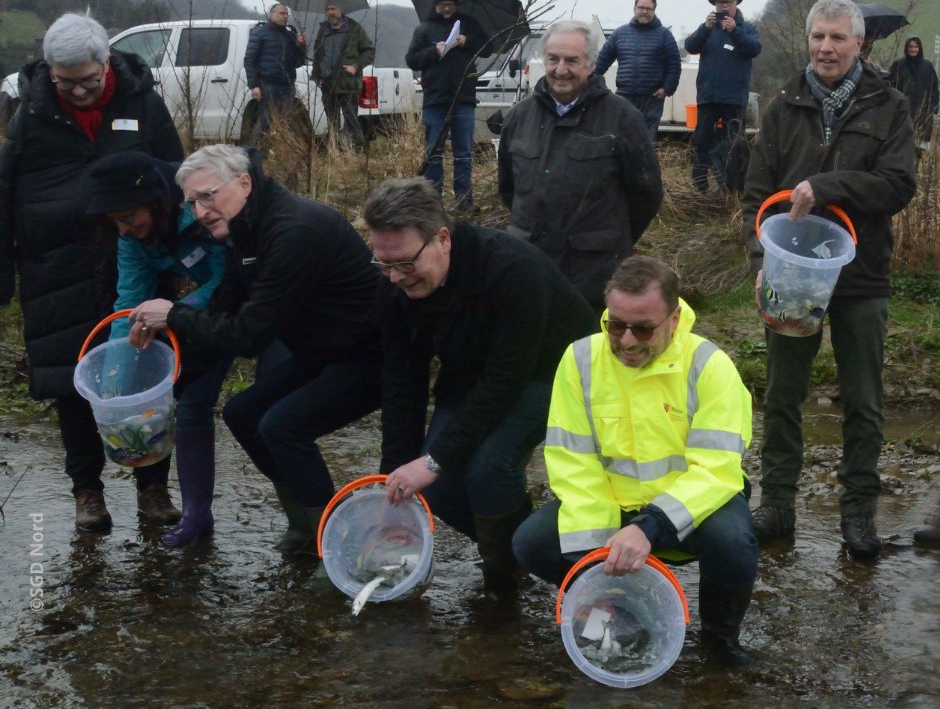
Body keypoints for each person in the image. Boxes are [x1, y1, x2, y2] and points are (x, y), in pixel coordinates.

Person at [127, 144, 381, 556]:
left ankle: (339, 545)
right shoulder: (242, 231)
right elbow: (226, 309)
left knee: (282, 426)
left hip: (372, 356)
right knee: (242, 413)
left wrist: (174, 315)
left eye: (208, 195)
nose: (200, 211)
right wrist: (169, 381)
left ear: (244, 182)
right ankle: (303, 523)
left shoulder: (295, 230)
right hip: (321, 353)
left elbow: (249, 334)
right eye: (191, 202)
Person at [512, 256, 758, 666]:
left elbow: (716, 469)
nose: (627, 341)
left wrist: (651, 525)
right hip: (613, 509)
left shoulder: (709, 366)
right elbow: (573, 463)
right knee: (530, 543)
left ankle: (720, 643)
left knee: (733, 543)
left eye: (643, 328)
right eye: (615, 325)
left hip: (689, 512)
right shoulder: (579, 360)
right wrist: (593, 566)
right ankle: (628, 613)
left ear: (674, 319)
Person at [742, 0, 916, 560]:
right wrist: (757, 257)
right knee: (783, 394)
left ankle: (858, 514)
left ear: (859, 44)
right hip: (790, 277)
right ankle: (777, 506)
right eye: (818, 37)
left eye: (838, 38)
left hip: (861, 277)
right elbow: (755, 195)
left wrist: (830, 185)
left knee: (863, 399)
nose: (826, 47)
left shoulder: (888, 105)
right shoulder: (782, 105)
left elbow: (897, 186)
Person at [363, 177, 596, 599]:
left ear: (443, 239)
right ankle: (515, 553)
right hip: (472, 370)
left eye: (404, 263)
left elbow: (506, 381)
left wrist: (433, 460)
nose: (394, 276)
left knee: (489, 465)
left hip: (555, 370)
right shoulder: (393, 285)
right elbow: (402, 382)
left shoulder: (511, 269)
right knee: (439, 486)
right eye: (383, 263)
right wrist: (393, 479)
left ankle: (507, 577)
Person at [0, 13, 184, 533]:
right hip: (55, 266)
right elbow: (4, 193)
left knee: (147, 377)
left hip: (139, 259)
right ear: (49, 72)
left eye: (87, 78)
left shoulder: (142, 103)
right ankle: (88, 493)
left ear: (107, 63)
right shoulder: (31, 114)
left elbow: (175, 174)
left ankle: (153, 491)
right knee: (71, 383)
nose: (77, 90)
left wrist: (182, 252)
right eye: (65, 80)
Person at [85, 151, 232, 548]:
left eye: (130, 218)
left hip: (246, 306)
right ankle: (197, 515)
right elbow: (128, 302)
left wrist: (175, 313)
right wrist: (116, 379)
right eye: (116, 222)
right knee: (192, 404)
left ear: (154, 203)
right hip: (195, 314)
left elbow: (227, 279)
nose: (126, 229)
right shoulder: (132, 238)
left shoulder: (199, 211)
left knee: (262, 414)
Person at [497, 19, 663, 314]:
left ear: (590, 64)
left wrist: (607, 242)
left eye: (571, 60)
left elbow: (646, 195)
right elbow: (508, 188)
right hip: (530, 269)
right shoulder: (518, 118)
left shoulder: (622, 118)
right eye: (553, 59)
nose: (561, 70)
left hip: (594, 279)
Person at [405, 0, 493, 213]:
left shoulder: (469, 24)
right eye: (442, 4)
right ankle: (434, 202)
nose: (446, 9)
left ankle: (464, 200)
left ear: (456, 5)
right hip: (435, 99)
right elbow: (412, 60)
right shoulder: (424, 29)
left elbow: (488, 48)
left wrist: (467, 41)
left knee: (463, 152)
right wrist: (435, 51)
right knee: (434, 151)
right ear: (435, 6)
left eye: (450, 4)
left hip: (464, 97)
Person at [684, 0, 761, 193]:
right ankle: (700, 186)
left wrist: (734, 31)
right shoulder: (707, 29)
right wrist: (704, 28)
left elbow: (755, 48)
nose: (724, 6)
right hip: (708, 96)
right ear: (715, 5)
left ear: (736, 3)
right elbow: (690, 46)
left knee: (735, 143)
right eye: (720, 2)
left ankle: (733, 188)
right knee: (702, 141)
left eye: (728, 2)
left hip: (734, 98)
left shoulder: (747, 28)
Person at [595, 0, 682, 141]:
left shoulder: (664, 35)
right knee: (621, 140)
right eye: (641, 7)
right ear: (634, 8)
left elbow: (674, 65)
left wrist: (667, 89)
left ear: (654, 10)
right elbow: (601, 62)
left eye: (648, 9)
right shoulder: (620, 34)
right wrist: (591, 83)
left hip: (652, 98)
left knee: (645, 143)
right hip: (624, 96)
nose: (644, 11)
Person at [312, 0, 375, 149]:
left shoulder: (354, 29)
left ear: (341, 10)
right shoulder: (323, 29)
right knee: (331, 120)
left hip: (347, 81)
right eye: (327, 10)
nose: (330, 12)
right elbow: (318, 53)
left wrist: (355, 66)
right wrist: (316, 76)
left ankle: (358, 149)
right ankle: (335, 149)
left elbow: (369, 51)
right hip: (327, 82)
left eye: (333, 9)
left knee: (351, 118)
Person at [244, 4, 307, 143]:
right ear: (271, 14)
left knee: (287, 121)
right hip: (267, 84)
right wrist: (253, 85)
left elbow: (298, 62)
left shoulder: (290, 35)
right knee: (265, 122)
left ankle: (282, 155)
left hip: (287, 85)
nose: (285, 16)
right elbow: (249, 60)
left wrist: (301, 46)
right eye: (281, 13)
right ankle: (257, 153)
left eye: (286, 14)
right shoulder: (259, 33)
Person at [888, 36, 939, 145]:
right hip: (902, 115)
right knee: (900, 147)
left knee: (919, 149)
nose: (913, 49)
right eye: (910, 46)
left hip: (923, 117)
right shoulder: (898, 66)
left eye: (916, 47)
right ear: (906, 48)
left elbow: (935, 89)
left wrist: (932, 109)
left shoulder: (928, 67)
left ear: (919, 48)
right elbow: (890, 88)